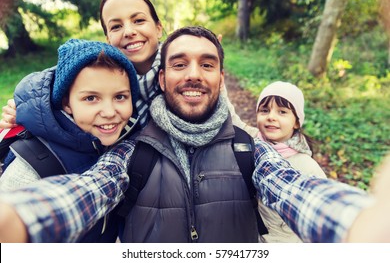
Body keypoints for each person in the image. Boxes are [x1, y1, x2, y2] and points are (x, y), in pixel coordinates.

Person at [0, 26, 386, 243]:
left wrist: (357, 221)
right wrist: (20, 217)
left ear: (221, 76)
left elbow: (294, 189)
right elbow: (90, 190)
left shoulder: (247, 147)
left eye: (207, 63)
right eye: (180, 63)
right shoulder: (130, 149)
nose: (194, 74)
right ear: (162, 77)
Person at [0, 0, 256, 136]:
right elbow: (57, 81)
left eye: (138, 20)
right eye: (116, 26)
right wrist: (24, 108)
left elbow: (231, 123)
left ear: (158, 28)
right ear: (107, 37)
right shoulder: (98, 73)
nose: (129, 31)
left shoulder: (183, 73)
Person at [0, 38, 140, 242]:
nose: (110, 112)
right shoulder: (30, 166)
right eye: (91, 98)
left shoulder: (111, 139)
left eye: (120, 97)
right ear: (66, 103)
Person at [255, 81, 326, 243]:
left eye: (282, 112)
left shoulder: (306, 166)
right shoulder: (253, 145)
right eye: (264, 110)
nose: (271, 117)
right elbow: (234, 119)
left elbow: (320, 218)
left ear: (296, 122)